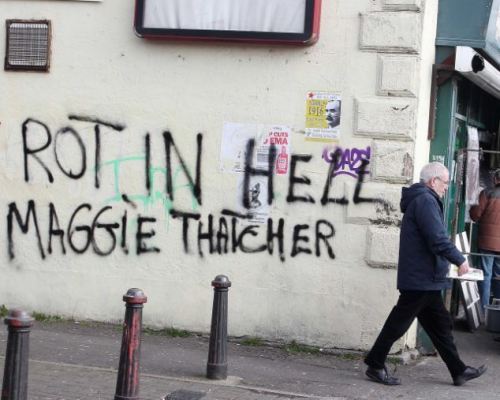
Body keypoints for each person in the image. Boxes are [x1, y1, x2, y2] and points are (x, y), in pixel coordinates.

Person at [364, 162, 486, 386]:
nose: (446, 187)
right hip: (420, 279)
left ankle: (458, 371)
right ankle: (375, 363)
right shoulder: (425, 201)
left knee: (440, 327)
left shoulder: (424, 200)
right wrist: (459, 260)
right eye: (445, 182)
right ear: (433, 181)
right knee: (398, 324)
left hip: (425, 278)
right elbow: (437, 239)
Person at [470, 169, 500, 309]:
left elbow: (476, 214)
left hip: (488, 243)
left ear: (496, 179)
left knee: (486, 274)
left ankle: (484, 309)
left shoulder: (487, 193)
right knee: (498, 276)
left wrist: (472, 209)